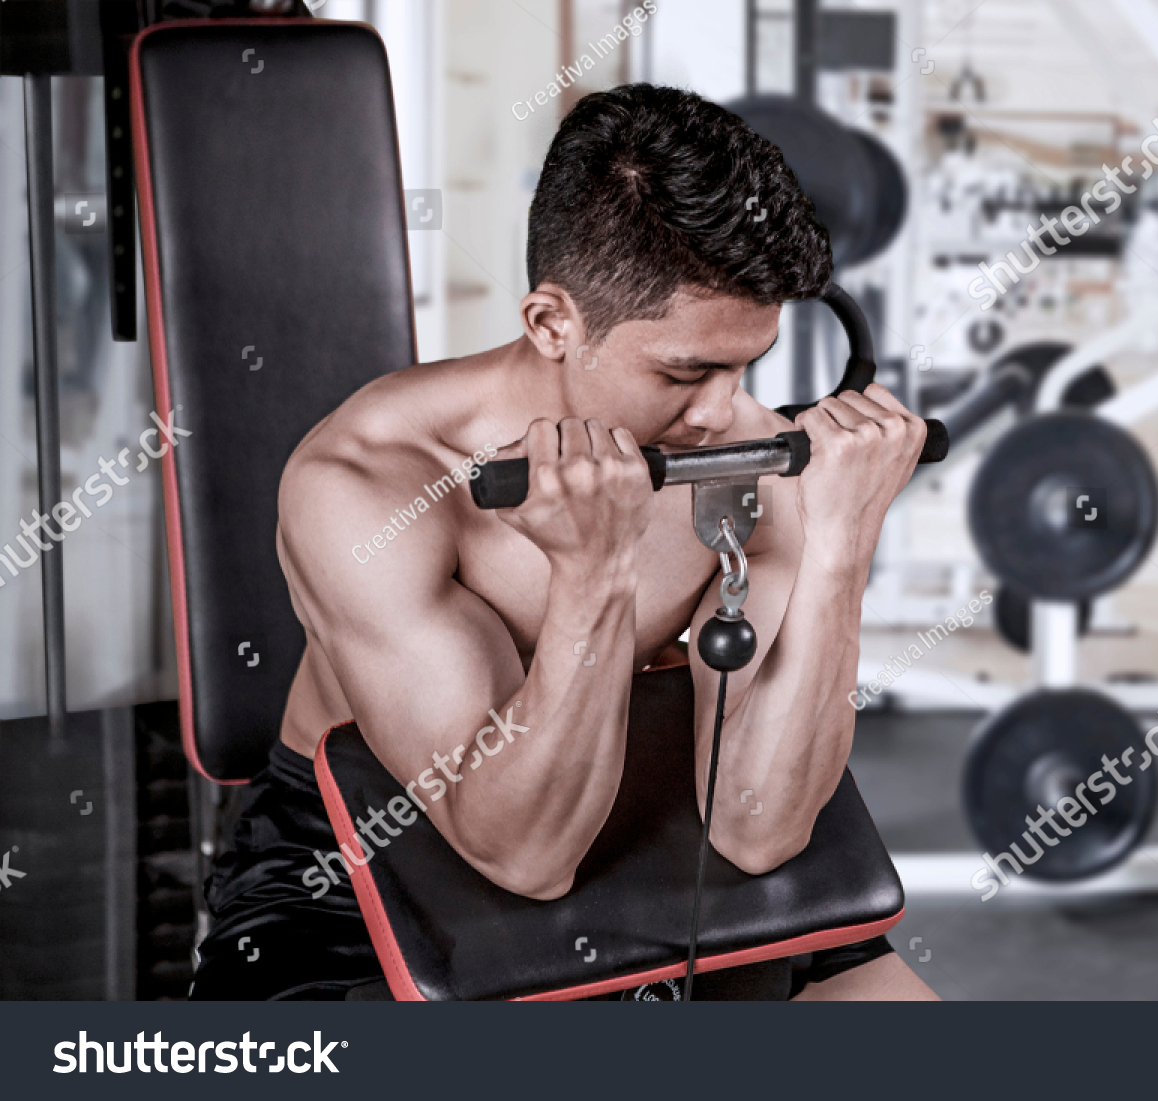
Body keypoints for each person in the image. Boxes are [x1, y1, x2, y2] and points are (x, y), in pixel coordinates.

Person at [190, 83, 937, 1001]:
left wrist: (839, 547)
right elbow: (523, 857)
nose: (722, 411)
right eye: (684, 371)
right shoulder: (368, 480)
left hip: (664, 846)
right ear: (552, 323)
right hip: (364, 872)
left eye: (747, 365)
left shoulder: (744, 453)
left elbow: (757, 827)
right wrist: (595, 567)